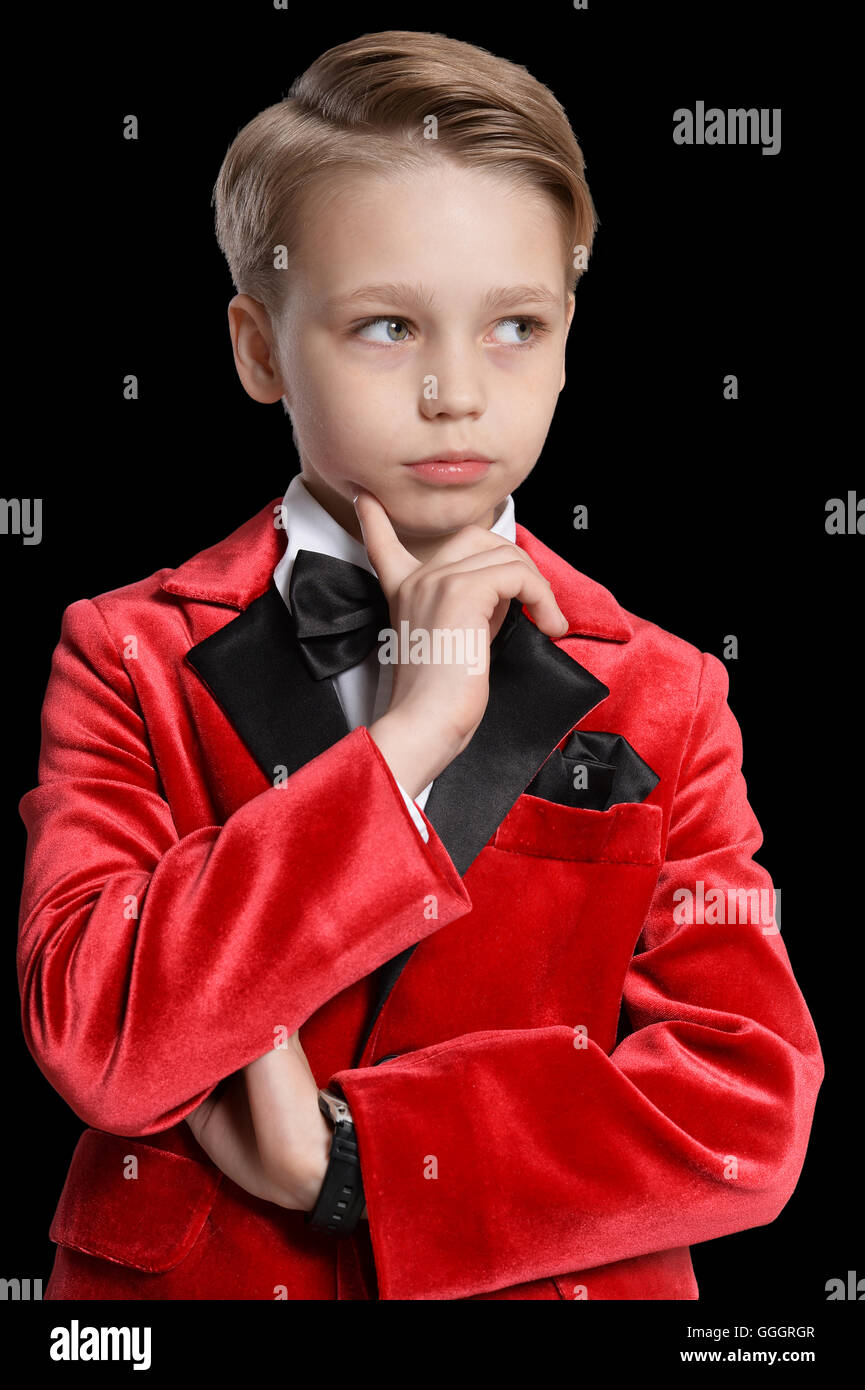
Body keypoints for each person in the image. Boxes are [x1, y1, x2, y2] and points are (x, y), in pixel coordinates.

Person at [18, 29, 823, 1301]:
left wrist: (356, 1164)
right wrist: (412, 736)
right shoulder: (128, 649)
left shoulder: (670, 690)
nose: (456, 391)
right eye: (387, 325)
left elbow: (745, 1103)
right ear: (259, 347)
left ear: (568, 339)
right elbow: (102, 1034)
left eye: (515, 325)